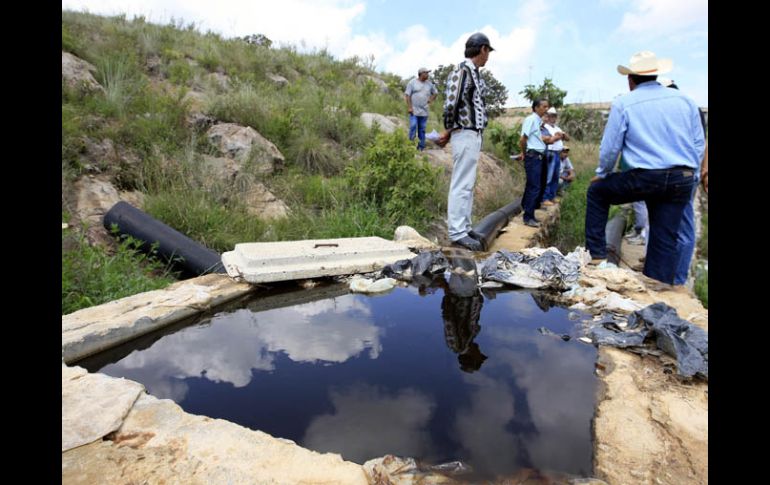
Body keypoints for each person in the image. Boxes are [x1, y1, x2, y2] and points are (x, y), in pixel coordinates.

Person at [585, 51, 704, 284]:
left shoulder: (624, 103)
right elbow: (698, 143)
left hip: (646, 177)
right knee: (665, 235)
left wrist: (602, 174)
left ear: (630, 80)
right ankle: (657, 285)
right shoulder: (685, 100)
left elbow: (610, 149)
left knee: (597, 193)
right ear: (657, 75)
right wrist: (691, 174)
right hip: (682, 178)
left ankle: (597, 257)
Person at [436, 32, 495, 251]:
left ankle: (465, 226)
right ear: (483, 49)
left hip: (473, 133)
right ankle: (457, 231)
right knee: (461, 183)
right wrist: (448, 129)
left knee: (468, 184)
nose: (488, 56)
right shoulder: (461, 71)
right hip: (464, 132)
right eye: (488, 51)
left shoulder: (474, 74)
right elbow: (451, 103)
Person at [519, 99, 563, 227]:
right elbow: (523, 139)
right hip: (533, 155)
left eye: (547, 106)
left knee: (538, 184)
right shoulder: (531, 120)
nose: (546, 109)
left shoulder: (538, 121)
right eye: (544, 106)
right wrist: (524, 153)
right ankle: (528, 217)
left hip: (539, 155)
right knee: (534, 186)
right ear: (536, 107)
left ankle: (528, 210)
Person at [405, 67, 438, 151]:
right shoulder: (412, 83)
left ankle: (421, 147)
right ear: (421, 74)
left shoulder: (429, 84)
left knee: (422, 129)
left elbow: (435, 93)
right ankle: (410, 145)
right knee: (413, 126)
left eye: (428, 73)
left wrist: (431, 99)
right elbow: (408, 95)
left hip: (424, 111)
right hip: (414, 110)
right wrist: (409, 107)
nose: (427, 75)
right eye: (426, 73)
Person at [542, 107, 569, 206]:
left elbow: (567, 138)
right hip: (550, 152)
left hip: (557, 153)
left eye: (554, 116)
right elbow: (550, 139)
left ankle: (551, 196)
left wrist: (563, 135)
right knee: (548, 177)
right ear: (547, 117)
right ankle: (545, 198)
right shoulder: (545, 127)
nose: (553, 118)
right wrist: (558, 136)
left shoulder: (557, 128)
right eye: (551, 116)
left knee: (555, 177)